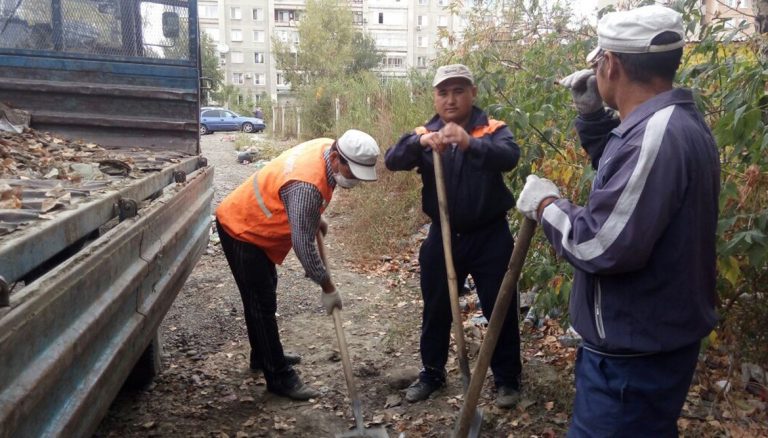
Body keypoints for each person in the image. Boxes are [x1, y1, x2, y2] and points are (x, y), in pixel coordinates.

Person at [516, 5, 719, 436]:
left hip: (633, 361)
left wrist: (546, 205)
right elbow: (630, 189)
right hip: (650, 346)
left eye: (599, 60)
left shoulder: (656, 135)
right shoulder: (670, 123)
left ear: (610, 63)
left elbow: (600, 244)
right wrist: (593, 119)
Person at [385, 64, 523, 407]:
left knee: (500, 306)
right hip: (444, 234)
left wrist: (468, 145)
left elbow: (510, 157)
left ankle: (507, 378)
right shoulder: (425, 132)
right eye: (443, 92)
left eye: (458, 90)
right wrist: (420, 143)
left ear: (472, 93)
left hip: (491, 236)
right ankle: (432, 372)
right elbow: (392, 159)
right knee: (436, 307)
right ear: (435, 97)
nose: (450, 99)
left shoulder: (491, 129)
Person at [215, 129, 380, 400]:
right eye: (353, 174)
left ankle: (263, 355)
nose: (355, 182)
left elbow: (303, 201)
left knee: (264, 294)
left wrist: (313, 216)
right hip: (241, 228)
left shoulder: (326, 148)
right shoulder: (305, 185)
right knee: (261, 303)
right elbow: (303, 247)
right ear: (338, 158)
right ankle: (279, 377)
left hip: (255, 224)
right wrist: (327, 286)